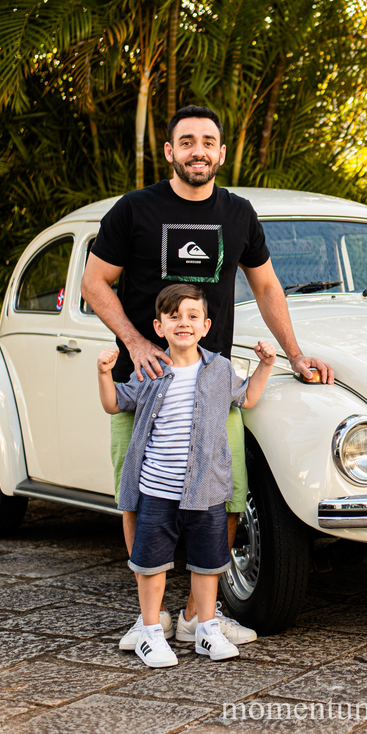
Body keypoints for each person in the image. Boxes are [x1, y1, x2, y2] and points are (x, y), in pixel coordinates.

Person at [80, 105, 334, 648]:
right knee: (136, 500)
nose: (198, 150)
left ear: (220, 152)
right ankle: (148, 618)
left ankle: (200, 615)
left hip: (213, 388)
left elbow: (266, 287)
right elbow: (94, 282)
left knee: (228, 497)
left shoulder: (238, 213)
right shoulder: (134, 210)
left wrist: (294, 355)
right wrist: (135, 342)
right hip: (144, 385)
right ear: (169, 151)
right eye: (187, 141)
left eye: (208, 142)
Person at [98, 284, 277, 667]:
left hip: (205, 490)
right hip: (156, 488)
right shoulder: (150, 370)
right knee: (151, 563)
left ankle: (205, 629)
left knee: (208, 563)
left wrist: (265, 365)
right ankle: (151, 633)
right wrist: (104, 373)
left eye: (193, 316)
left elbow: (247, 398)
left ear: (206, 325)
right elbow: (114, 404)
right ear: (158, 326)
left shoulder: (219, 369)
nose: (184, 323)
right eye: (174, 316)